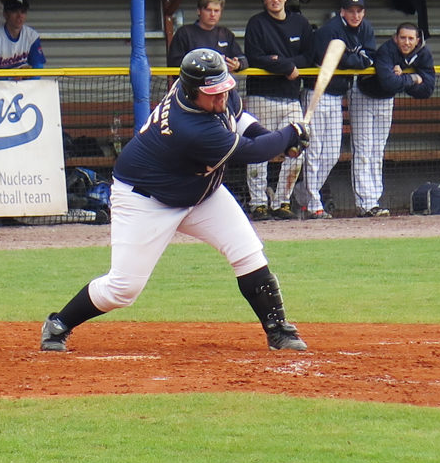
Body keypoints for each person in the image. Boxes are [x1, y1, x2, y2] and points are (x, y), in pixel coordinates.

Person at [40, 49, 310, 354]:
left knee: (247, 252)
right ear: (192, 90)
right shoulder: (190, 127)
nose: (221, 97)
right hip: (146, 199)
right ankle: (58, 324)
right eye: (212, 93)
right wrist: (290, 133)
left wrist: (277, 139)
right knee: (123, 289)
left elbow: (240, 121)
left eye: (224, 88)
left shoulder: (219, 93)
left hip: (199, 192)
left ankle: (278, 330)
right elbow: (251, 152)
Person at [243, 0, 316, 221]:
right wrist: (285, 65)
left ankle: (282, 202)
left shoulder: (300, 23)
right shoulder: (257, 24)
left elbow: (309, 55)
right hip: (261, 96)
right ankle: (258, 204)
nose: (275, 0)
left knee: (299, 147)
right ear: (264, 0)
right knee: (259, 150)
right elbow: (255, 58)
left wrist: (285, 63)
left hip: (290, 97)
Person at [303, 0, 375, 219]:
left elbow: (369, 57)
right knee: (313, 152)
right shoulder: (329, 31)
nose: (356, 14)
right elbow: (332, 60)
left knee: (332, 154)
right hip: (317, 93)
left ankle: (303, 192)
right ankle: (313, 203)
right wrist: (353, 60)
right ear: (342, 12)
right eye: (351, 10)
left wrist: (351, 60)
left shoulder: (365, 29)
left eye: (359, 10)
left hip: (338, 96)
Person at [352, 23, 435, 217]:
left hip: (386, 101)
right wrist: (413, 78)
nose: (406, 42)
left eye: (410, 39)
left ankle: (374, 200)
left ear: (417, 41)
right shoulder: (387, 50)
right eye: (403, 38)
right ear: (395, 38)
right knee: (363, 150)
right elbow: (388, 82)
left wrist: (404, 78)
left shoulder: (423, 54)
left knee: (377, 150)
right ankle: (365, 204)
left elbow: (428, 90)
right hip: (364, 96)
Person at [167, 0, 247, 72]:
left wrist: (237, 65)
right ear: (198, 11)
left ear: (221, 13)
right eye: (208, 10)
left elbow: (243, 60)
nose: (212, 14)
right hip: (192, 83)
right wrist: (202, 65)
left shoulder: (226, 34)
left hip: (220, 83)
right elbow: (174, 63)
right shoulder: (184, 33)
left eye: (216, 11)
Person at [0, 0, 46, 71]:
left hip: (24, 82)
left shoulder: (32, 36)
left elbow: (38, 68)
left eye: (23, 12)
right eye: (15, 11)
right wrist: (11, 78)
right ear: (5, 14)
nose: (19, 16)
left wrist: (25, 77)